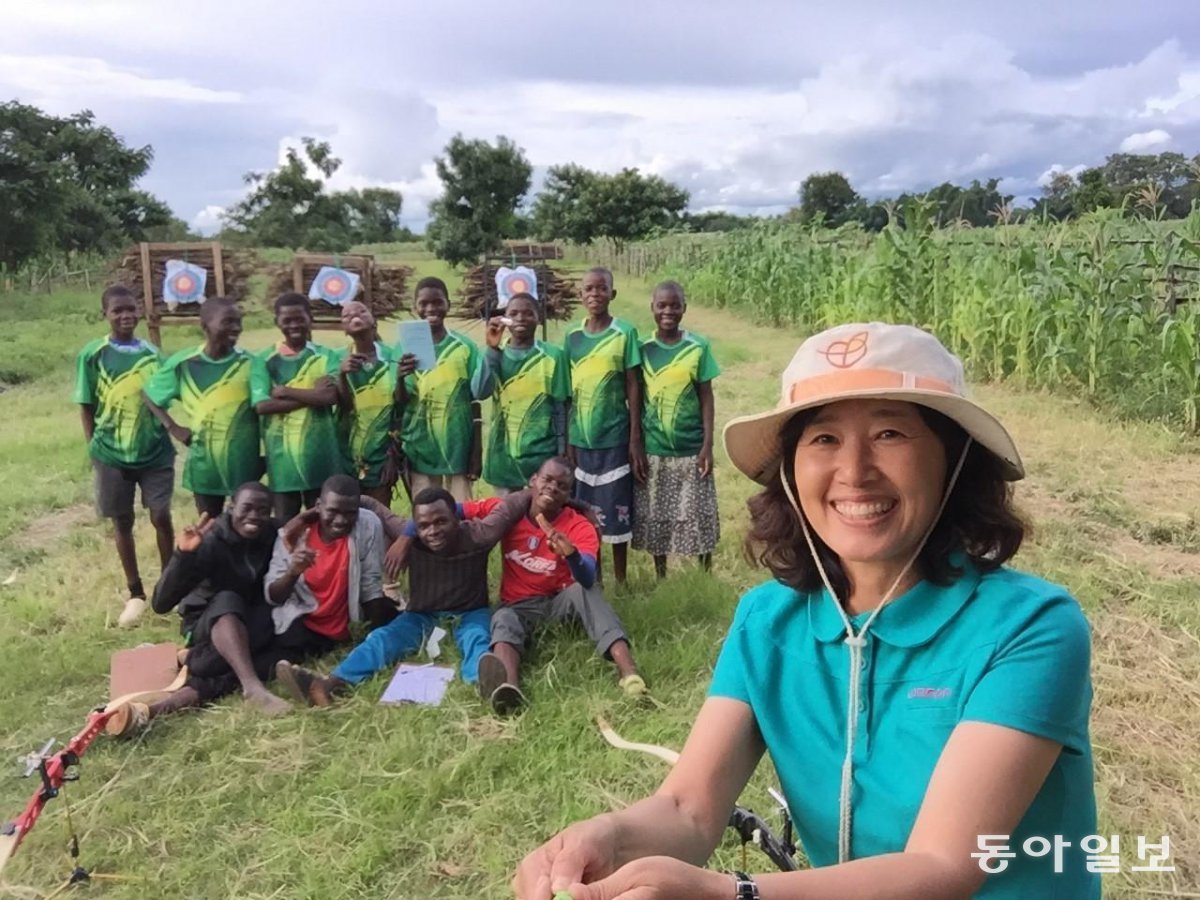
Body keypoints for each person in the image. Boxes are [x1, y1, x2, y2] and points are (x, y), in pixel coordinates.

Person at [512, 323, 1098, 900]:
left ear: (954, 459)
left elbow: (942, 867)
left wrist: (730, 894)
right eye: (823, 439)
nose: (854, 470)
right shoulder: (768, 621)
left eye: (890, 433)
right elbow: (688, 810)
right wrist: (608, 839)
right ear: (790, 471)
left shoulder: (1029, 629)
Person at [274, 487, 532, 706]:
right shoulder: (406, 534)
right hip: (422, 614)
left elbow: (517, 501)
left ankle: (485, 685)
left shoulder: (480, 534)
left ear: (456, 517)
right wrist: (306, 517)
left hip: (470, 610)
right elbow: (367, 501)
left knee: (477, 639)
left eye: (441, 521)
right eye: (423, 526)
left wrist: (568, 499)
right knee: (383, 639)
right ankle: (330, 685)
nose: (432, 531)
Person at [104, 482, 292, 734]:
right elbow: (161, 603)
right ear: (231, 507)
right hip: (207, 622)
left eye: (263, 510)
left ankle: (187, 666)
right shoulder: (212, 540)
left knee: (281, 643)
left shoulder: (273, 534)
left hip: (244, 624)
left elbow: (308, 519)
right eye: (247, 508)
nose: (254, 517)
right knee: (228, 598)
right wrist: (183, 555)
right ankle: (252, 687)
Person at [469, 457, 646, 715]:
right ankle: (508, 688)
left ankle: (630, 675)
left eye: (562, 486)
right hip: (518, 608)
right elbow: (457, 509)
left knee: (585, 591)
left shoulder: (578, 525)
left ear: (568, 495)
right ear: (533, 481)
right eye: (547, 480)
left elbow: (586, 576)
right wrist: (406, 534)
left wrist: (571, 554)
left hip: (559, 604)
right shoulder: (507, 511)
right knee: (502, 618)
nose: (552, 488)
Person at [73, 284, 176, 627]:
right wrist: (93, 449)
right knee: (122, 521)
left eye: (131, 309)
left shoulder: (154, 355)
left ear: (140, 311)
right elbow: (86, 405)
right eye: (117, 310)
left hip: (155, 451)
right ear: (105, 313)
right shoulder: (93, 354)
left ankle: (169, 586)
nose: (125, 315)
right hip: (110, 453)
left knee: (161, 514)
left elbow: (162, 399)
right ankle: (136, 593)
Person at [144, 297, 263, 519]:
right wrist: (173, 427)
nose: (236, 328)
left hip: (244, 462)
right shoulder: (184, 363)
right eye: (228, 322)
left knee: (246, 526)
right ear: (204, 326)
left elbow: (264, 406)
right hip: (203, 465)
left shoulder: (252, 363)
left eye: (238, 322)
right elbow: (149, 395)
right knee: (208, 527)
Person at [632, 281, 721, 578]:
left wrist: (707, 444)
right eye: (662, 305)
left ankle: (704, 571)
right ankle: (660, 574)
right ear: (652, 309)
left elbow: (706, 396)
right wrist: (638, 445)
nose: (668, 311)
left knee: (697, 511)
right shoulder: (642, 349)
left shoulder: (698, 346)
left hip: (691, 447)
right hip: (655, 447)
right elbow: (636, 398)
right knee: (658, 512)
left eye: (674, 305)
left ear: (684, 308)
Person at [563, 267, 643, 584]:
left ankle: (621, 579)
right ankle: (592, 576)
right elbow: (568, 394)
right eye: (588, 289)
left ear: (613, 293)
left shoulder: (624, 333)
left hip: (615, 436)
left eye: (601, 288)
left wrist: (635, 438)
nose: (595, 294)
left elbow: (633, 385)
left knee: (616, 506)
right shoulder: (572, 337)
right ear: (581, 295)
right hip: (581, 438)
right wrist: (568, 439)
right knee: (585, 511)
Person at [265, 474, 390, 660]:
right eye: (332, 511)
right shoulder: (293, 536)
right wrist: (293, 571)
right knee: (268, 657)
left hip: (343, 626)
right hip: (302, 624)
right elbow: (274, 597)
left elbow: (370, 586)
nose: (341, 520)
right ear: (318, 506)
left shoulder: (367, 525)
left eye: (350, 513)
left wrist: (375, 637)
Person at [396, 276, 493, 503]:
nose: (431, 308)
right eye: (424, 303)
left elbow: (476, 398)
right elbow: (400, 401)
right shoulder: (403, 348)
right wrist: (400, 377)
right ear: (415, 307)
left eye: (438, 302)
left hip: (457, 446)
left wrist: (476, 450)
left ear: (448, 304)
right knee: (426, 514)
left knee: (461, 514)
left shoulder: (465, 347)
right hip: (419, 446)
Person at [251, 293, 342, 520]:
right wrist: (313, 396)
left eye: (300, 318)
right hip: (282, 460)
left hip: (321, 456)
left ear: (310, 319)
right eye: (287, 320)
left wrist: (285, 392)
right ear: (277, 322)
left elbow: (331, 397)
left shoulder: (326, 355)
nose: (294, 325)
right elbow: (262, 405)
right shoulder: (263, 359)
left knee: (323, 524)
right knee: (284, 527)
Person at [483, 292, 571, 495]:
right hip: (502, 456)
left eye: (528, 313)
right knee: (507, 519)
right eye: (513, 313)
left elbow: (561, 406)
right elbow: (481, 391)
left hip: (541, 456)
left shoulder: (553, 356)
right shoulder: (496, 353)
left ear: (538, 318)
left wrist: (561, 451)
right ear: (505, 318)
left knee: (540, 517)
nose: (520, 318)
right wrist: (492, 350)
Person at [332, 300, 401, 506]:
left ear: (374, 322)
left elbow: (401, 408)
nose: (354, 316)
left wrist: (393, 455)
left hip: (383, 453)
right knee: (346, 515)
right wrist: (342, 375)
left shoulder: (392, 356)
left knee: (378, 516)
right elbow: (343, 404)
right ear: (343, 329)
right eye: (347, 315)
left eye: (362, 311)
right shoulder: (335, 358)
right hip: (346, 453)